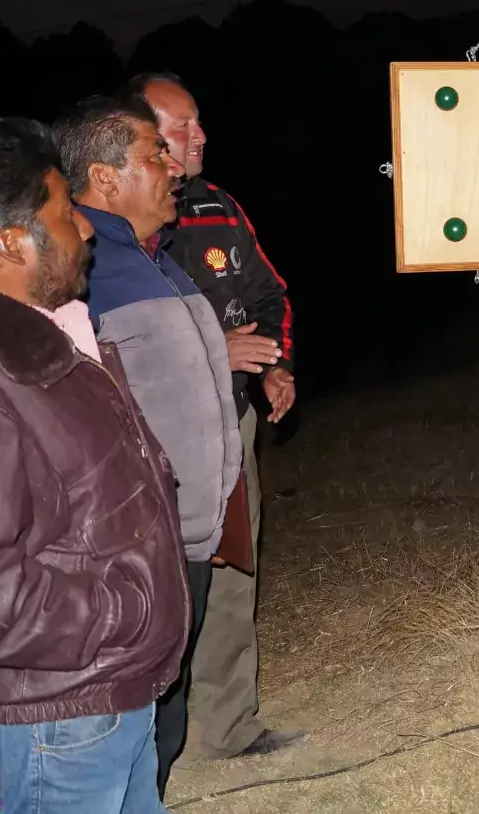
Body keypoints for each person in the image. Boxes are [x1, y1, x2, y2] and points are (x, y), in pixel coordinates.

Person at [0, 118, 190, 814]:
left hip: (93, 702)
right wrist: (123, 610)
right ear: (8, 241)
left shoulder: (46, 340)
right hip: (47, 726)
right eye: (65, 212)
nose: (85, 230)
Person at [53, 95, 244, 796]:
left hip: (186, 532)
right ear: (104, 178)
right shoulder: (80, 269)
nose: (171, 165)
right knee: (132, 715)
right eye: (151, 155)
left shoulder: (155, 256)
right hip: (138, 540)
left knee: (167, 704)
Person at [135, 71, 307, 761]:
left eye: (197, 121)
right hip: (152, 434)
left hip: (229, 423)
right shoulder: (116, 236)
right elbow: (119, 339)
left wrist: (275, 364)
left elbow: (271, 294)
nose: (198, 135)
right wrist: (214, 347)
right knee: (159, 582)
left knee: (234, 566)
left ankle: (230, 728)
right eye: (180, 126)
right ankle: (145, 742)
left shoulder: (218, 208)